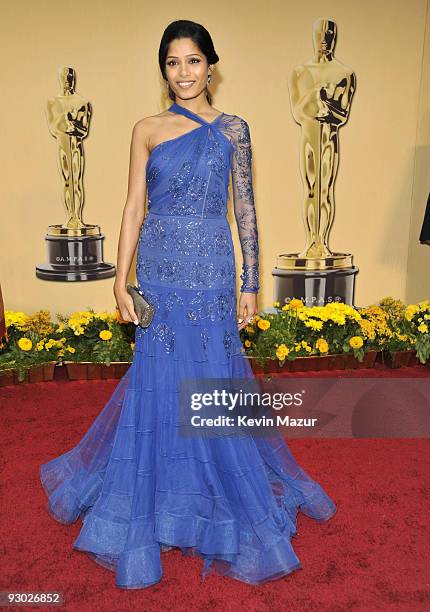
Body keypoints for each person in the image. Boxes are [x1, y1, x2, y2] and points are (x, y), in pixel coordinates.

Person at [40, 20, 336, 589]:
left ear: (210, 65)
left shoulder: (234, 130)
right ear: (164, 69)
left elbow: (244, 209)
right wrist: (120, 280)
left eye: (194, 60)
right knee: (158, 379)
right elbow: (131, 207)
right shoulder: (147, 129)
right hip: (159, 268)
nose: (184, 72)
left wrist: (251, 282)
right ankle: (159, 497)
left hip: (212, 273)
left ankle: (209, 493)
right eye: (173, 62)